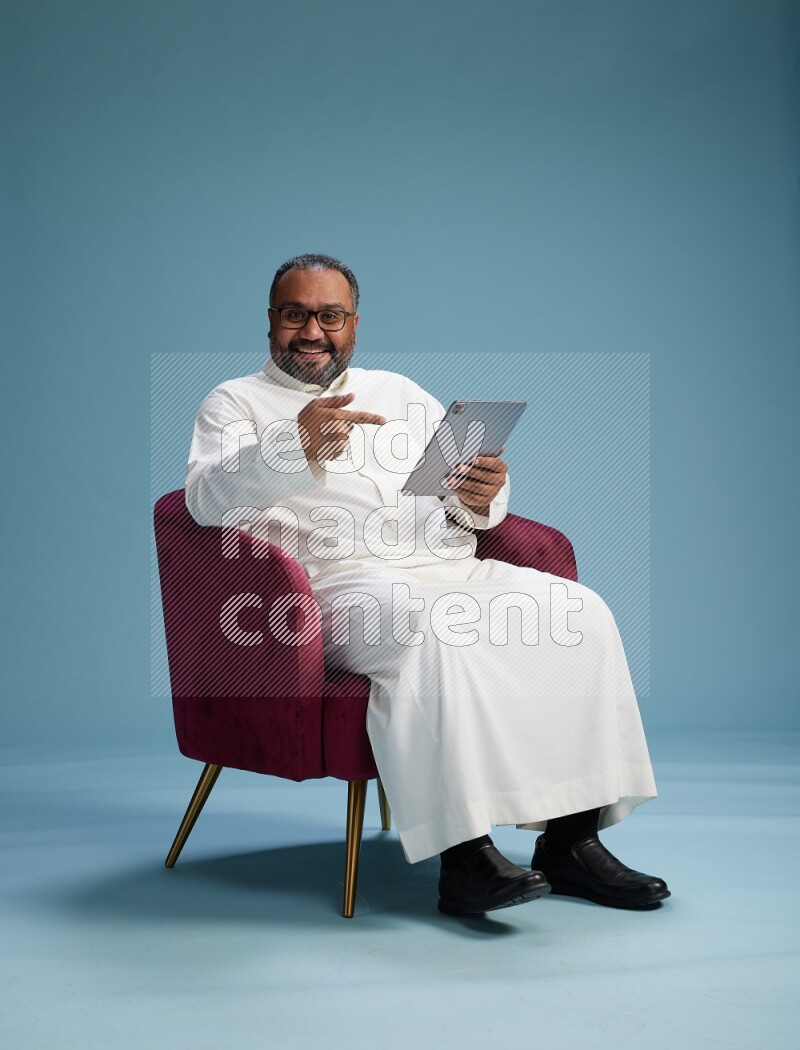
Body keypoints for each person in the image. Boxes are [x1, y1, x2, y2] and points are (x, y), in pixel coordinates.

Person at [185, 253, 669, 916]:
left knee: (580, 613)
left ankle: (572, 841)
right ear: (271, 321)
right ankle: (463, 858)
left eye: (330, 316)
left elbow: (460, 497)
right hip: (334, 587)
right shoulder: (234, 402)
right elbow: (205, 503)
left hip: (443, 565)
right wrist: (290, 447)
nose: (312, 332)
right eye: (296, 314)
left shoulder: (401, 392)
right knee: (433, 630)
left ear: (353, 324)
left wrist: (485, 496)